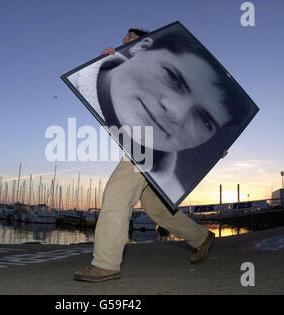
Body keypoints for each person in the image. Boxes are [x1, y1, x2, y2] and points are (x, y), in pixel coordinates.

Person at [73, 28, 231, 282]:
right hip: (142, 149)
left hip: (143, 152)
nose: (176, 112)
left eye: (203, 119)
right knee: (155, 207)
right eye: (174, 78)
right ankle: (202, 237)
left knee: (117, 193)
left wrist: (215, 148)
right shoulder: (107, 80)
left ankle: (105, 263)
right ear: (140, 49)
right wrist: (104, 61)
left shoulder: (153, 144)